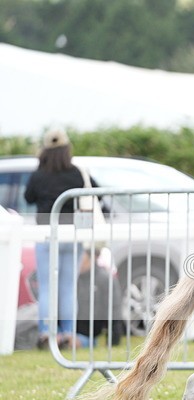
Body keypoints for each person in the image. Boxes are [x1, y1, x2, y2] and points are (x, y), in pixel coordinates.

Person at [24, 128, 99, 349]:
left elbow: (28, 197)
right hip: (72, 235)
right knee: (68, 287)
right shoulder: (76, 172)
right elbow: (97, 191)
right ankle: (68, 334)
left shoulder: (39, 174)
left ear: (45, 150)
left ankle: (47, 333)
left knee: (47, 287)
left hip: (47, 235)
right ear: (67, 148)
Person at [76, 249, 123, 348]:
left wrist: (113, 341)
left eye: (82, 260)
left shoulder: (105, 280)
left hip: (89, 335)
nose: (78, 263)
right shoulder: (73, 279)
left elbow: (114, 310)